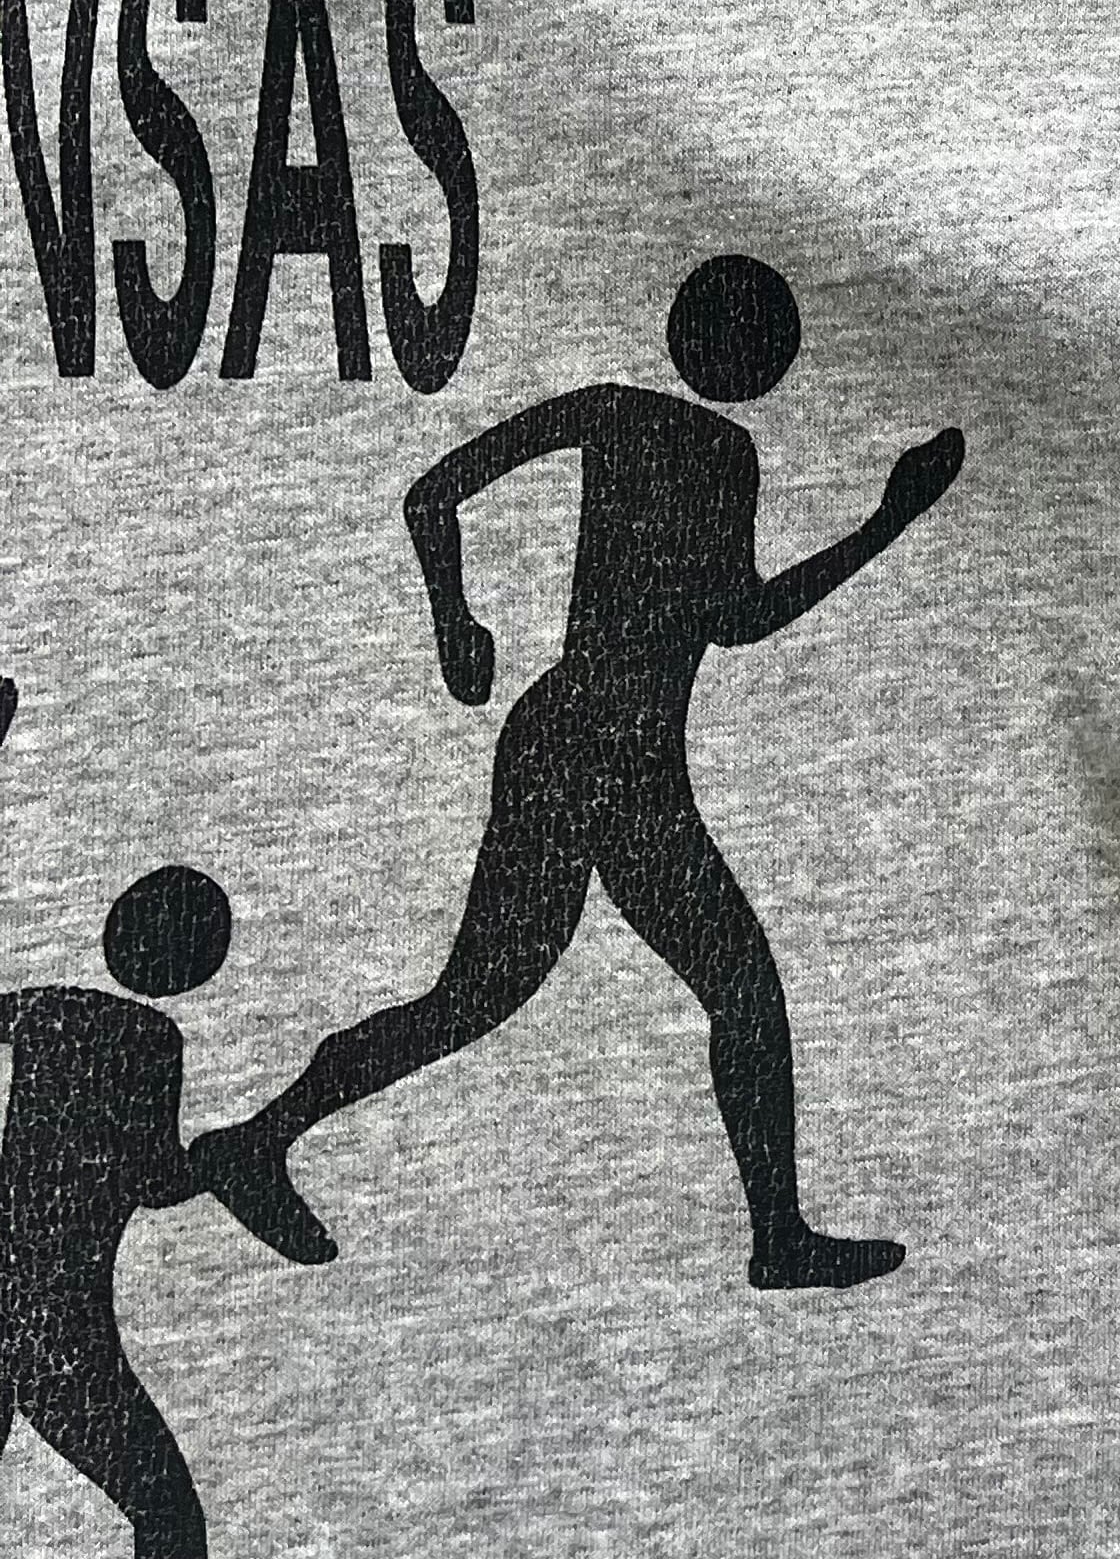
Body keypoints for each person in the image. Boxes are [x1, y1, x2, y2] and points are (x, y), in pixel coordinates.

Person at [191, 256, 965, 1293]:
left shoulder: (622, 416)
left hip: (574, 741)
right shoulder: (715, 449)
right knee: (727, 991)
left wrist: (458, 623)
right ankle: (777, 1236)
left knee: (475, 999)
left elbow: (432, 499)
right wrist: (887, 520)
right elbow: (738, 621)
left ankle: (257, 1139)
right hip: (610, 757)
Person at [0, 681, 256, 1559]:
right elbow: (152, 1178)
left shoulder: (49, 1009)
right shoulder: (150, 1043)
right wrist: (218, 1164)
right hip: (64, 1327)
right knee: (169, 1519)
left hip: (32, 1308)